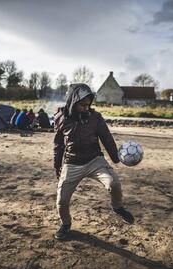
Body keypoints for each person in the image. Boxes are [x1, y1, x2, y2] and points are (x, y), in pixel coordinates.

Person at [53, 83, 134, 240]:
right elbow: (58, 145)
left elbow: (107, 138)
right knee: (61, 201)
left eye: (88, 105)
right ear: (73, 101)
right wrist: (57, 165)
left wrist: (116, 158)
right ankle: (66, 224)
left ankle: (117, 207)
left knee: (114, 183)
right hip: (72, 163)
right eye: (83, 105)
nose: (86, 108)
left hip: (94, 160)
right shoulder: (61, 118)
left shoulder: (95, 118)